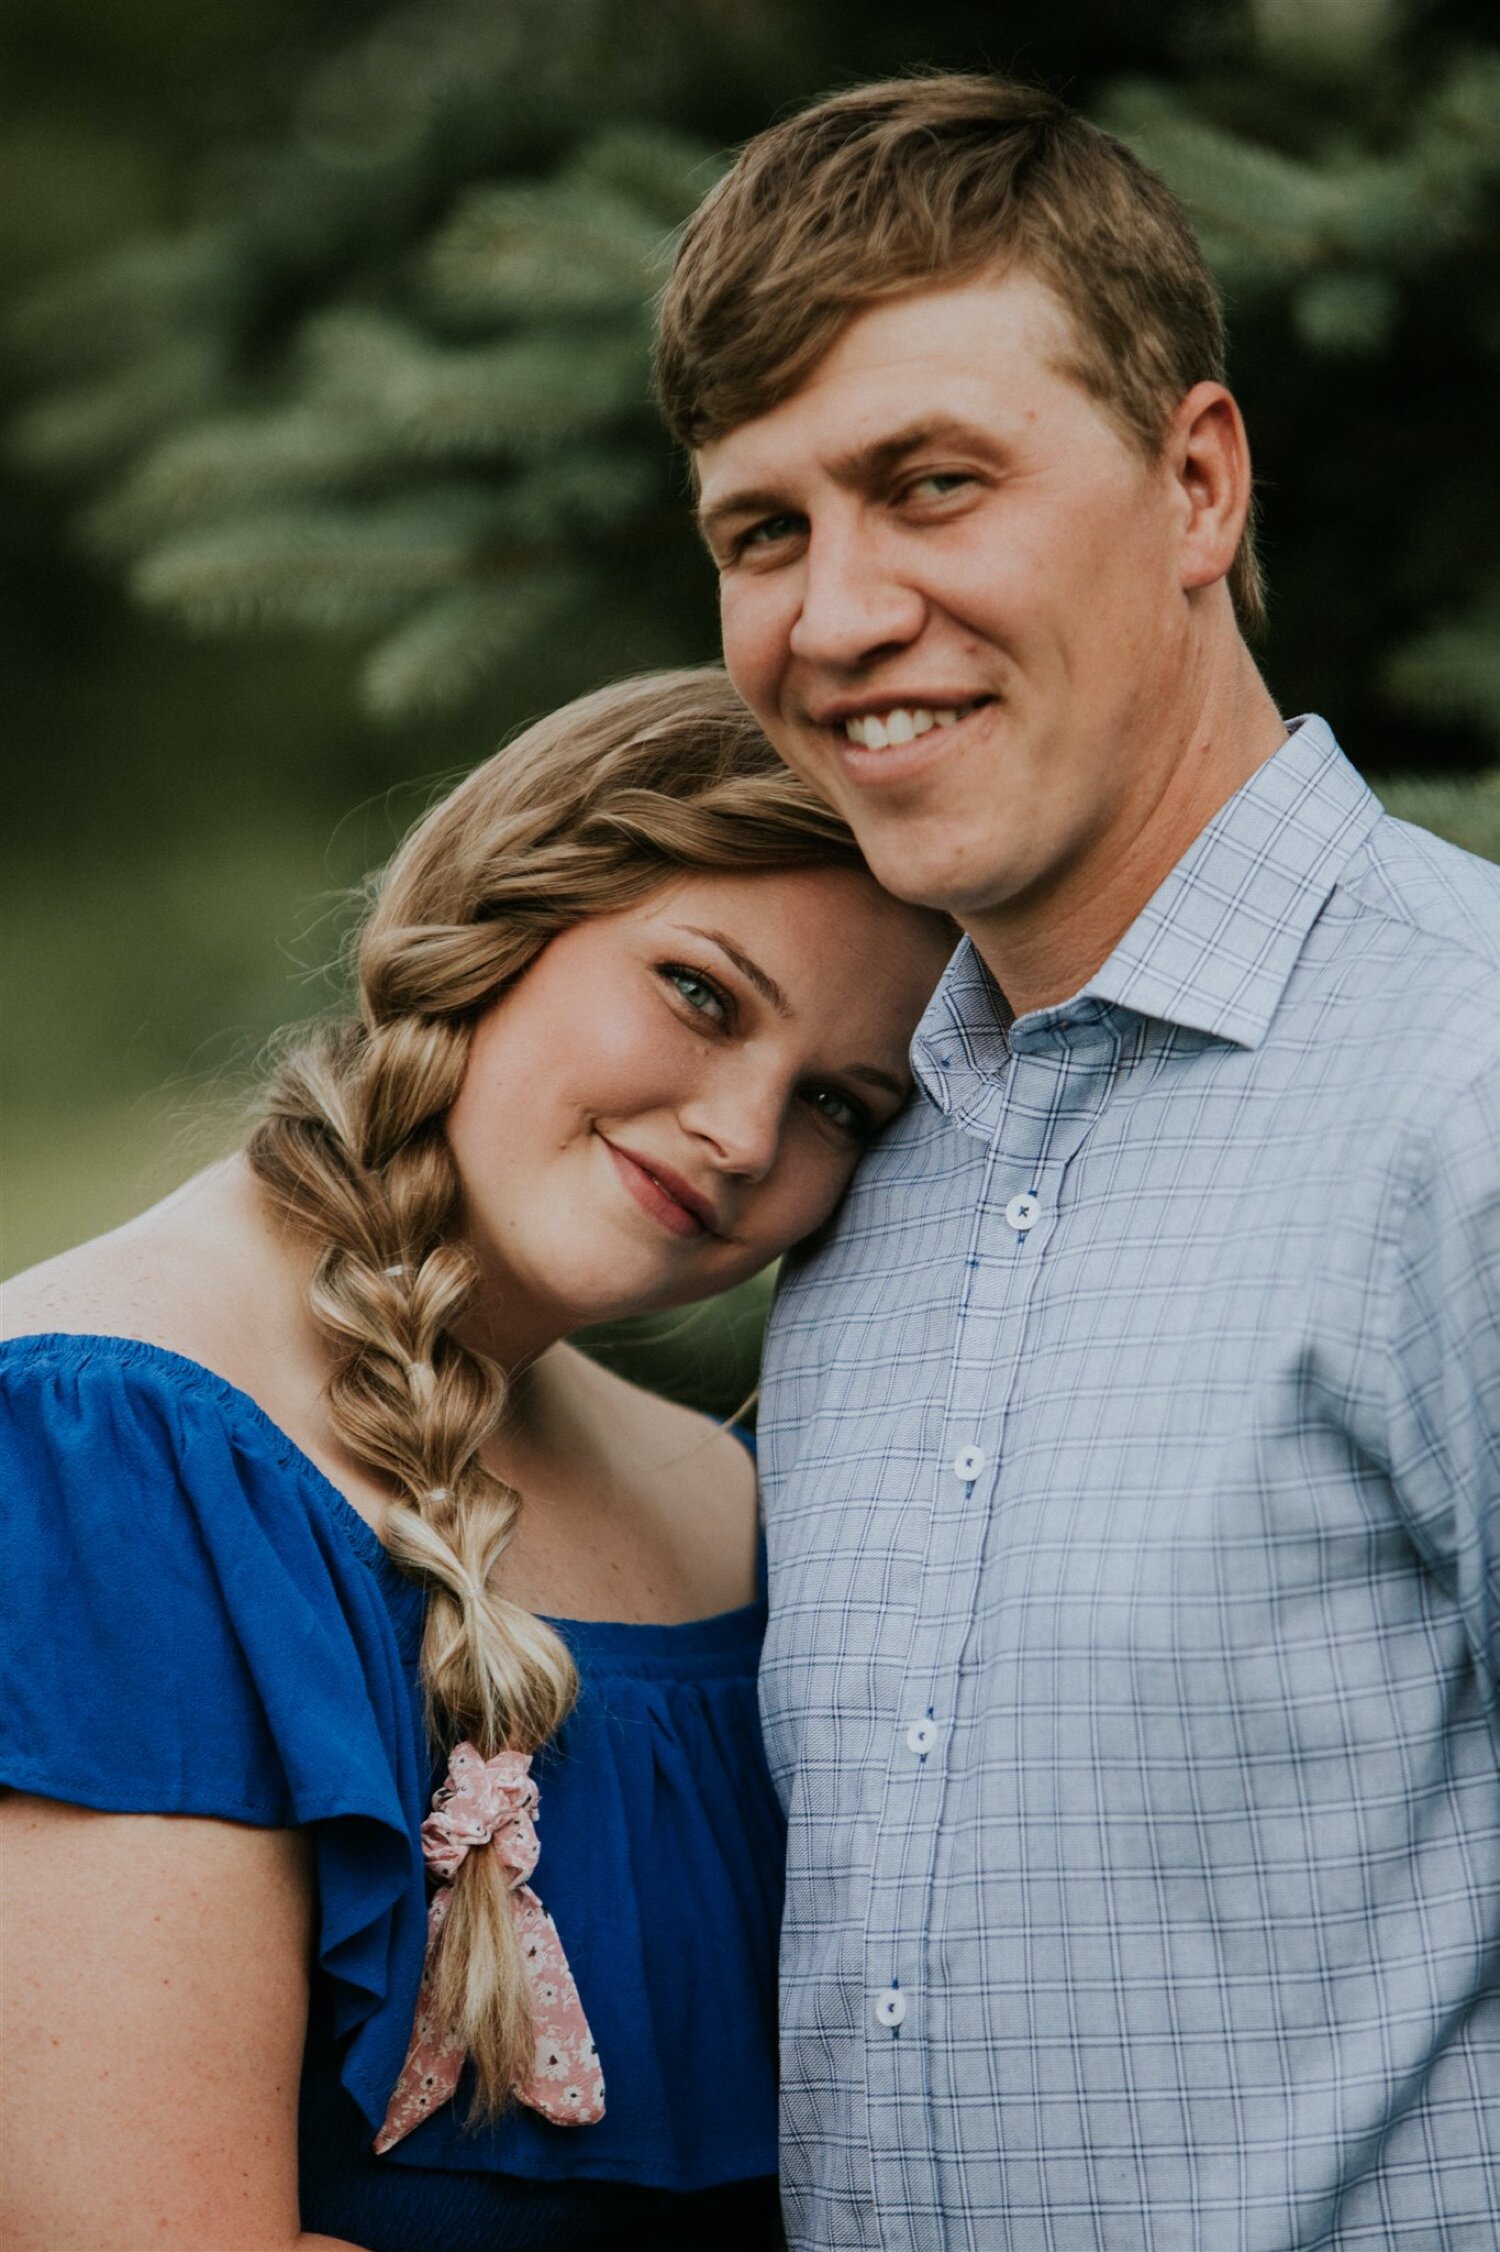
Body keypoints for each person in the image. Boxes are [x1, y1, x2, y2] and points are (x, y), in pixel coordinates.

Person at [655, 73, 1500, 2251]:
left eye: (932, 486)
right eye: (764, 532)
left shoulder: (1467, 1087)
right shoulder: (865, 1162)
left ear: (1195, 483)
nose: (837, 614)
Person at [0, 666, 954, 2252]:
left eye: (840, 1107)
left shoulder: (729, 1502)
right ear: (507, 911)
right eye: (704, 995)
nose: (739, 1134)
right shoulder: (99, 1449)